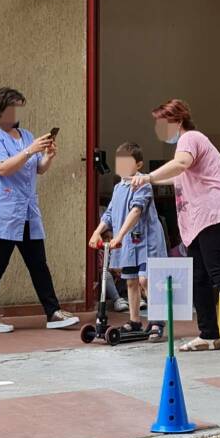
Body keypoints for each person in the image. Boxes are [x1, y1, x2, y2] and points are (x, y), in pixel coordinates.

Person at [131, 99, 220, 361]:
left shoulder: (190, 138)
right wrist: (146, 179)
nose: (158, 129)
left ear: (177, 121)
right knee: (199, 276)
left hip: (215, 212)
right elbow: (178, 174)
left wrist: (148, 176)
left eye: (161, 123)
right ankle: (208, 334)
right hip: (200, 219)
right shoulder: (187, 145)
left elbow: (180, 165)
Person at [0, 87, 80, 333]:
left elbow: (37, 169)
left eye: (19, 106)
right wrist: (30, 150)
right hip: (3, 212)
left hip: (27, 210)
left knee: (38, 263)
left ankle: (53, 312)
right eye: (12, 107)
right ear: (0, 111)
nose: (17, 112)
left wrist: (48, 156)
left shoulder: (26, 134)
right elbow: (2, 169)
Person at [90, 142, 168, 342]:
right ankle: (134, 321)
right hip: (128, 244)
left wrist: (119, 236)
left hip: (146, 241)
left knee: (145, 280)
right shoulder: (118, 188)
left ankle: (158, 321)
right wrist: (97, 232)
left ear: (139, 164)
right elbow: (109, 214)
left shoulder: (143, 183)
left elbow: (136, 211)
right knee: (131, 281)